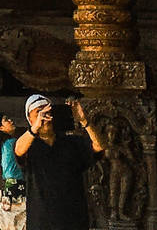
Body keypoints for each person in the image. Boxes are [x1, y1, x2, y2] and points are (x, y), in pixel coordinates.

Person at [12, 94, 103, 230]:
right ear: (30, 120)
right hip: (42, 222)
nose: (44, 116)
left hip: (74, 220)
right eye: (38, 112)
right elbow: (18, 150)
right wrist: (34, 129)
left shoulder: (71, 142)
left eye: (47, 111)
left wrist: (85, 121)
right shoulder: (29, 146)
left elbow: (99, 146)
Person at [0, 113, 25, 230]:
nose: (11, 120)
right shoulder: (12, 143)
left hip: (8, 186)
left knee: (10, 222)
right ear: (1, 128)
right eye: (6, 120)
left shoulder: (2, 145)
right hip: (17, 185)